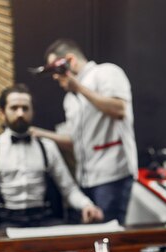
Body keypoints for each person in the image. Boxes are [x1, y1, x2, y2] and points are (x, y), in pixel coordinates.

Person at [31, 38, 137, 224]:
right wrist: (41, 134)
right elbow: (73, 141)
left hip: (112, 174)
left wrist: (79, 88)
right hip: (85, 179)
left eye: (55, 70)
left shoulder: (106, 72)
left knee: (108, 234)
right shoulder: (69, 100)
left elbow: (119, 109)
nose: (55, 77)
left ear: (70, 60)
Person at [0, 84, 104, 228]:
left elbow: (69, 188)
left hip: (44, 218)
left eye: (25, 108)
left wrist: (87, 205)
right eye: (14, 108)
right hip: (7, 220)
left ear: (32, 111)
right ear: (2, 112)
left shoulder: (47, 146)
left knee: (68, 248)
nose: (20, 113)